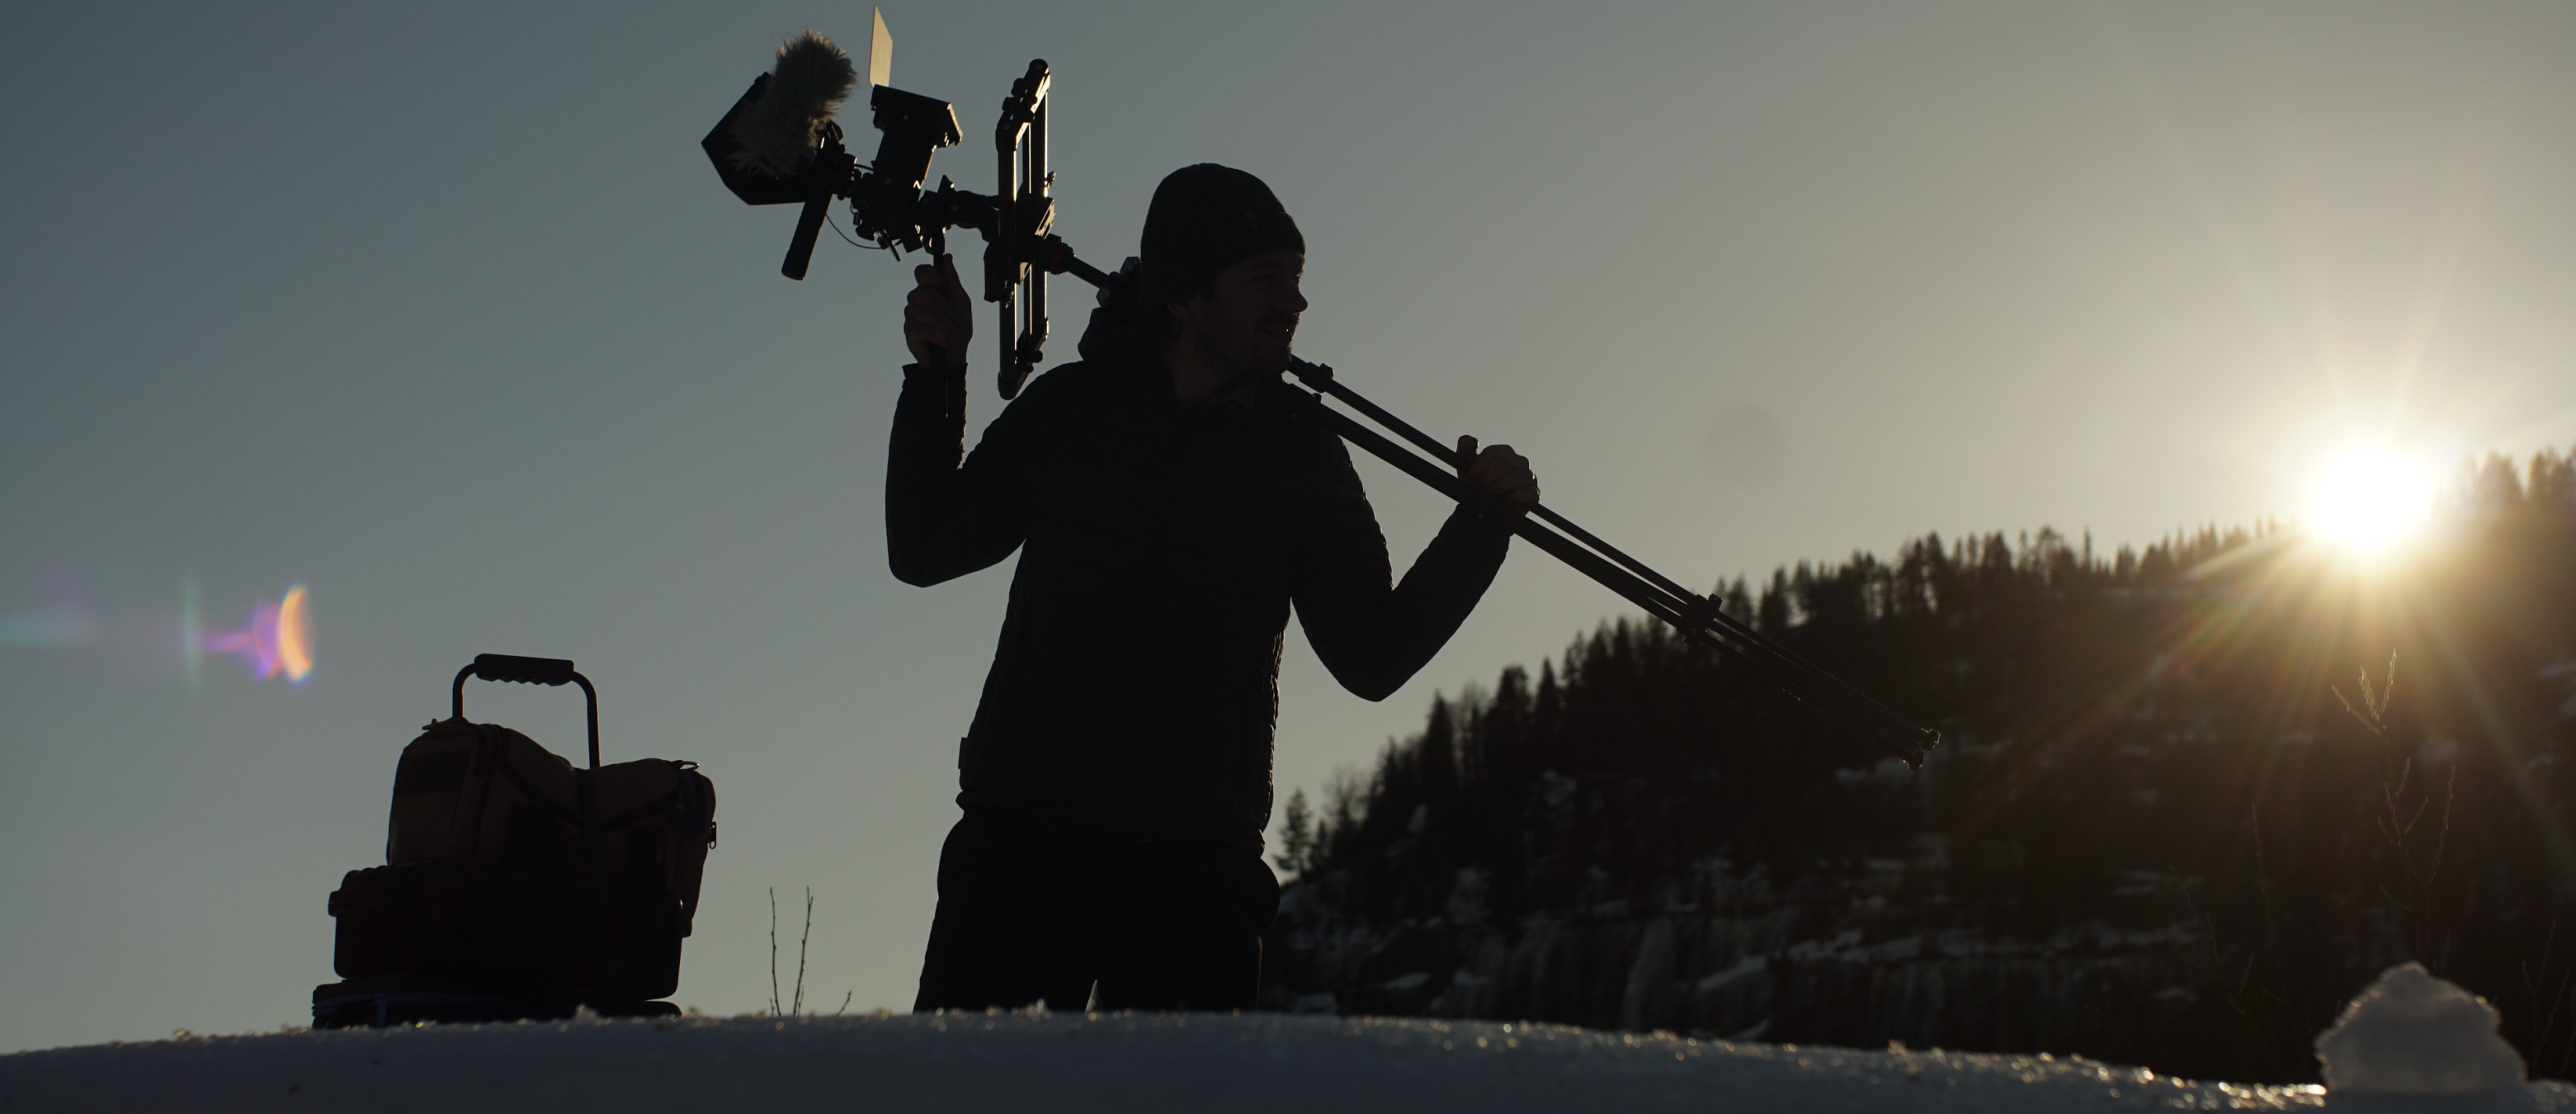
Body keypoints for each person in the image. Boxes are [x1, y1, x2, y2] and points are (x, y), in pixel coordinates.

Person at [888, 163, 1538, 1013]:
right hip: (1019, 855)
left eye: (1296, 278)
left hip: (1194, 878)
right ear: (1183, 300)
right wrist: (940, 376)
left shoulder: (1303, 454)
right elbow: (927, 546)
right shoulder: (1072, 413)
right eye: (1264, 278)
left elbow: (1371, 656)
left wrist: (1479, 526)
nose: (1294, 302)